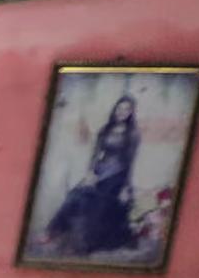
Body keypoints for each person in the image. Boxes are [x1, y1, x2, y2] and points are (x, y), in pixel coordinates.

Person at [41, 92, 145, 258]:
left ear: (131, 113)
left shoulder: (133, 134)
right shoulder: (106, 129)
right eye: (120, 108)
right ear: (115, 109)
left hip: (118, 177)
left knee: (96, 206)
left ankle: (84, 245)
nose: (122, 112)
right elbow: (96, 154)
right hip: (99, 171)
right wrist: (90, 173)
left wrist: (126, 187)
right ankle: (53, 231)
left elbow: (130, 162)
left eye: (127, 110)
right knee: (75, 194)